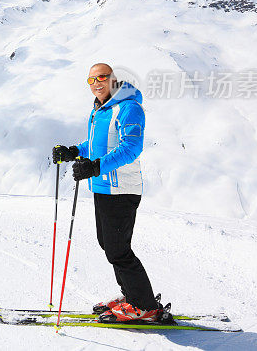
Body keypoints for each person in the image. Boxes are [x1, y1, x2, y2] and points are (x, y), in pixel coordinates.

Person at [52, 63, 162, 322]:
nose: (97, 83)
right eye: (91, 80)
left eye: (102, 77)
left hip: (122, 189)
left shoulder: (128, 108)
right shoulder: (100, 110)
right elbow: (95, 144)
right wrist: (74, 152)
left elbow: (131, 148)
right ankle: (131, 296)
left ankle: (145, 306)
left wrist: (96, 166)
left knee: (118, 250)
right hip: (103, 187)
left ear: (113, 79)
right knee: (109, 245)